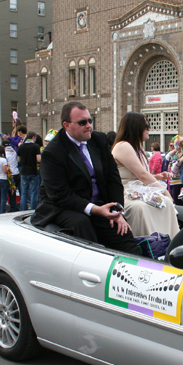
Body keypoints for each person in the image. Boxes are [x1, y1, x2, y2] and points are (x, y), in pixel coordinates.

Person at [32, 102, 140, 254]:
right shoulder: (53, 153)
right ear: (66, 125)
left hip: (99, 206)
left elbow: (113, 179)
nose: (89, 125)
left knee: (123, 234)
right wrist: (95, 210)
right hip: (64, 207)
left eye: (90, 121)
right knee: (82, 224)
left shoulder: (99, 140)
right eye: (82, 122)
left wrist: (116, 211)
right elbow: (60, 194)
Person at [111, 112, 179, 238]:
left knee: (167, 203)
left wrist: (158, 177)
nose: (149, 128)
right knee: (141, 208)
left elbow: (142, 175)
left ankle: (167, 243)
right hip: (127, 194)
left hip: (140, 191)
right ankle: (149, 245)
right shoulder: (123, 146)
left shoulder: (138, 149)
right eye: (147, 125)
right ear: (136, 127)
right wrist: (164, 191)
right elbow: (142, 175)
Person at [18, 131, 42, 210]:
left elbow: (18, 159)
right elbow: (38, 159)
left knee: (24, 193)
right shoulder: (36, 146)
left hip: (24, 172)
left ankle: (23, 210)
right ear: (33, 137)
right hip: (33, 171)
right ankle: (33, 210)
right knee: (34, 193)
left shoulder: (21, 146)